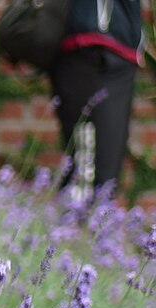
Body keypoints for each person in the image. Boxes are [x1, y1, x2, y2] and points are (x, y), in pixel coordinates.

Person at [50, 0, 144, 201]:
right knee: (83, 171)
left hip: (121, 50)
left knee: (106, 176)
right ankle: (73, 228)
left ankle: (92, 226)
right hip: (80, 46)